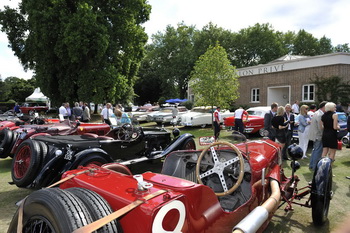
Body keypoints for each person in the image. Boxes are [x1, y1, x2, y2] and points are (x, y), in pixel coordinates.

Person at [308, 101, 327, 170]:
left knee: (315, 150)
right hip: (318, 135)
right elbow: (320, 127)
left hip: (315, 135)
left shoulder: (317, 113)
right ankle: (315, 166)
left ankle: (311, 165)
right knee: (318, 151)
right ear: (324, 107)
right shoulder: (320, 114)